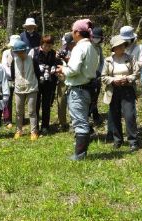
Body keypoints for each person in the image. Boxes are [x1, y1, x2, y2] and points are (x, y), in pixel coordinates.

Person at [55, 19, 99, 160]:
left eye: (73, 31)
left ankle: (79, 155)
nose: (72, 34)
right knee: (83, 120)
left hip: (78, 89)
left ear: (78, 32)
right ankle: (80, 153)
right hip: (88, 88)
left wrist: (63, 69)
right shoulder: (92, 47)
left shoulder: (79, 48)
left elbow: (73, 69)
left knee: (80, 122)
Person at [101, 35, 140, 152]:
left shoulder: (131, 58)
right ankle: (117, 140)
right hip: (113, 90)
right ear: (114, 48)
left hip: (127, 90)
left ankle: (133, 141)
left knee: (129, 115)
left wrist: (127, 79)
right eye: (118, 46)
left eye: (123, 45)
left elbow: (137, 73)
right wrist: (114, 80)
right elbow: (103, 77)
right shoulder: (108, 60)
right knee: (115, 115)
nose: (121, 48)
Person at [30, 34, 61, 135]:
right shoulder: (34, 52)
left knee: (46, 105)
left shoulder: (53, 53)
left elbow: (57, 64)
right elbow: (29, 66)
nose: (48, 48)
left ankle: (45, 126)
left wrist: (54, 68)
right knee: (36, 105)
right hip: (36, 82)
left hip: (49, 83)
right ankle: (35, 127)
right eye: (46, 45)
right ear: (41, 44)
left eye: (50, 45)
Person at [11, 40, 39, 141]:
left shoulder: (32, 59)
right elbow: (13, 74)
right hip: (18, 88)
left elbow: (37, 72)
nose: (19, 54)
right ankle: (19, 131)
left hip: (31, 88)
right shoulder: (14, 60)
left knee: (32, 111)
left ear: (25, 51)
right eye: (17, 52)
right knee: (19, 111)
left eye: (21, 52)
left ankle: (34, 132)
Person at [56, 32, 75, 131]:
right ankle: (62, 123)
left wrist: (67, 59)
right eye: (66, 43)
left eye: (70, 43)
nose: (68, 45)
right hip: (62, 77)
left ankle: (73, 123)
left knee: (73, 101)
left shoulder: (78, 50)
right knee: (61, 101)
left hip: (74, 78)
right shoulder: (62, 49)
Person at [1, 35, 21, 128]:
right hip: (8, 79)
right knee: (7, 100)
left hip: (19, 80)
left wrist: (17, 77)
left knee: (19, 100)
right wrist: (12, 76)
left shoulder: (22, 53)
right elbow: (4, 66)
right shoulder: (6, 53)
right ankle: (7, 119)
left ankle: (20, 118)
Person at [90, 27, 105, 126]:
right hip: (88, 76)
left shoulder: (99, 48)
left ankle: (95, 115)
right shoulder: (88, 46)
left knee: (95, 97)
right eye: (94, 37)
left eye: (98, 38)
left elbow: (102, 61)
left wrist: (99, 72)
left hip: (97, 76)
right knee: (89, 97)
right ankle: (90, 116)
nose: (96, 39)